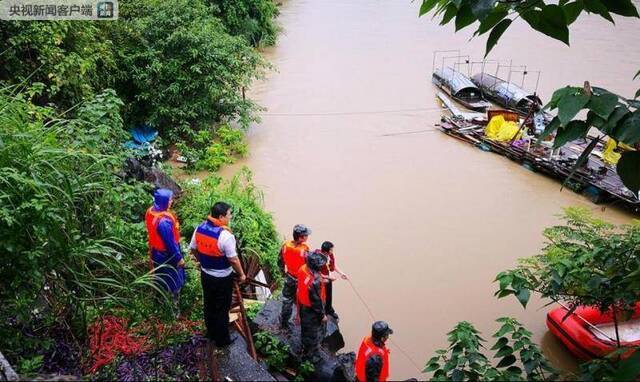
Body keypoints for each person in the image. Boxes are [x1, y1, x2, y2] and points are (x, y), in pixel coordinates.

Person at [190, 201, 247, 348]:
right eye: (229, 214)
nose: (230, 216)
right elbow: (233, 259)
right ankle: (222, 340)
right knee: (222, 308)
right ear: (221, 217)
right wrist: (241, 275)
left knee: (209, 303)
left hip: (206, 275)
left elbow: (193, 249)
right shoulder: (225, 236)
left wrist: (202, 261)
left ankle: (210, 333)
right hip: (222, 278)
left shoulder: (199, 229)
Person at [145, 188, 185, 314]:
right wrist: (179, 258)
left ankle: (158, 303)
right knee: (174, 280)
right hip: (167, 255)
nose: (171, 202)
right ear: (164, 201)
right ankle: (174, 311)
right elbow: (170, 244)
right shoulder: (164, 222)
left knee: (160, 276)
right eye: (170, 200)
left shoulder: (151, 211)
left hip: (155, 252)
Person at [278, 224, 311, 330]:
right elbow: (309, 266)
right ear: (301, 237)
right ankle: (302, 321)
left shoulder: (285, 245)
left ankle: (284, 323)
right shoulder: (304, 249)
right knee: (303, 301)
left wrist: (283, 273)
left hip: (290, 277)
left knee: (287, 300)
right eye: (306, 235)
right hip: (301, 280)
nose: (307, 237)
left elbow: (280, 261)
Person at [296, 251, 327, 364]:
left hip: (303, 305)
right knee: (313, 332)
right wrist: (322, 315)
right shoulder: (315, 281)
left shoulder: (303, 268)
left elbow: (300, 287)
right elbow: (316, 301)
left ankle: (305, 346)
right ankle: (310, 356)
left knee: (305, 328)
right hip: (312, 310)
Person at [315, 241, 348, 321]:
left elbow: (332, 265)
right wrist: (328, 277)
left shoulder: (329, 256)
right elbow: (315, 272)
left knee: (329, 295)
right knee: (322, 296)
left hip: (328, 279)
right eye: (331, 250)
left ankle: (329, 310)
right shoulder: (317, 258)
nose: (332, 251)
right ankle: (322, 313)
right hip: (321, 280)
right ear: (326, 251)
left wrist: (341, 273)